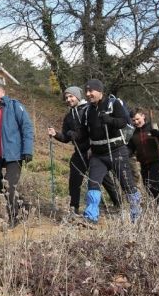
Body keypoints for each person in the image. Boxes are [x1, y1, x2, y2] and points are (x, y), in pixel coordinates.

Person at [73, 79, 142, 223]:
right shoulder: (87, 111)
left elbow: (123, 121)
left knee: (127, 184)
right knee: (93, 184)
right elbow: (85, 132)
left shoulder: (113, 103)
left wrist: (109, 120)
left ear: (100, 91)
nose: (88, 94)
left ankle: (137, 213)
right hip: (98, 155)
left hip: (116, 150)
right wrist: (73, 135)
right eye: (86, 91)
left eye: (91, 90)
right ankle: (91, 217)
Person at [47, 86, 121, 217]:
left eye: (71, 96)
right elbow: (66, 137)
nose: (68, 100)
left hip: (93, 150)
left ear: (78, 96)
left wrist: (91, 146)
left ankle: (118, 204)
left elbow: (93, 130)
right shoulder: (68, 117)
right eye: (66, 97)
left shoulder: (88, 110)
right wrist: (56, 134)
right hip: (79, 152)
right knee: (74, 181)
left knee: (104, 180)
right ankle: (73, 208)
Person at [0, 81, 34, 228]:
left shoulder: (14, 105)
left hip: (14, 154)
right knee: (1, 188)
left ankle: (14, 219)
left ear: (2, 92)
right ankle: (25, 206)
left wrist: (27, 150)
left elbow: (27, 127)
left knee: (9, 187)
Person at [128, 109, 159, 211]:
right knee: (147, 186)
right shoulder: (133, 133)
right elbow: (130, 148)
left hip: (156, 160)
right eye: (133, 120)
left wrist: (158, 135)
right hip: (143, 163)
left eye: (137, 119)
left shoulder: (153, 127)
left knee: (155, 184)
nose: (136, 122)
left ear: (143, 116)